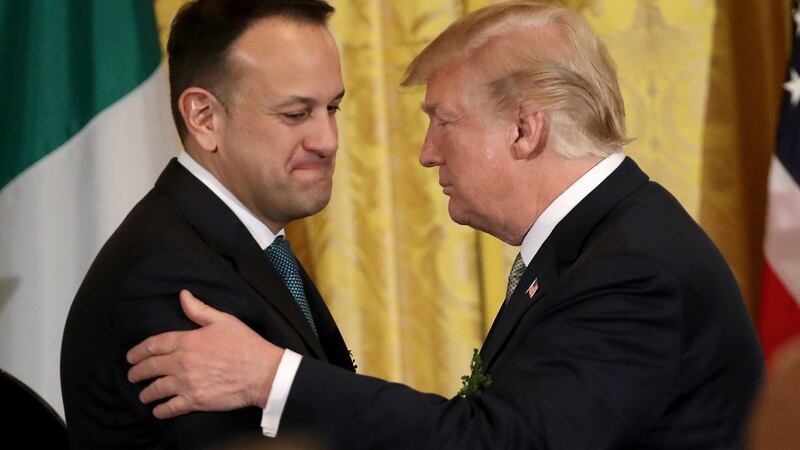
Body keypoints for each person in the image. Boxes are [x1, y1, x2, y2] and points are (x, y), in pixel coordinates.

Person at [127, 1, 765, 448]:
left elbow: (501, 443)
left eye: (444, 122)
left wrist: (272, 378)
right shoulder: (599, 242)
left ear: (524, 130)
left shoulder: (631, 269)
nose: (427, 153)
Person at [59, 0, 354, 448]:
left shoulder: (235, 241)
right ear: (204, 117)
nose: (327, 141)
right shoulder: (168, 276)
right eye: (295, 114)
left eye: (332, 108)